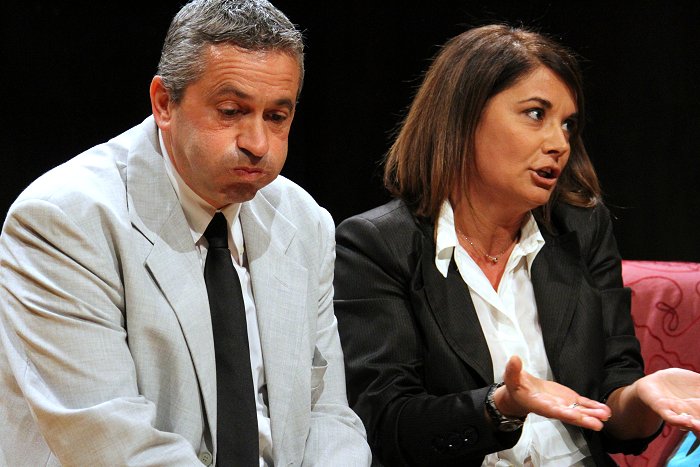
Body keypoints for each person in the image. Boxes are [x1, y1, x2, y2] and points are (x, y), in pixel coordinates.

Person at [0, 1, 371, 465]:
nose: (258, 144)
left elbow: (328, 415)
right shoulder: (65, 221)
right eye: (231, 111)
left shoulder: (305, 221)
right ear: (164, 103)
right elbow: (110, 441)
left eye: (277, 117)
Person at [333, 24, 700, 466]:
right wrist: (500, 406)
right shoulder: (377, 245)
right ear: (463, 116)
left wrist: (640, 397)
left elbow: (613, 403)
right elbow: (386, 423)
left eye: (567, 124)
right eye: (535, 114)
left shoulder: (582, 229)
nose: (559, 143)